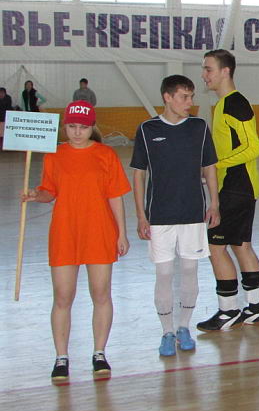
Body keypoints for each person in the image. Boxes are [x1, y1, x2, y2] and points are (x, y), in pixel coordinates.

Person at [21, 101, 130, 380]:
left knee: (101, 293)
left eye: (82, 127)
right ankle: (61, 357)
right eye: (71, 126)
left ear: (92, 127)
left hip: (99, 231)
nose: (77, 132)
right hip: (65, 232)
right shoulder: (54, 156)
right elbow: (49, 191)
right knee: (62, 296)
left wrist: (122, 232)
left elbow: (115, 196)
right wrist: (36, 195)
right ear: (65, 127)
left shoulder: (105, 154)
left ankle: (99, 353)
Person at [130, 75, 220, 356]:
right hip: (160, 215)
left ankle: (184, 327)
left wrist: (214, 203)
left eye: (191, 97)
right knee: (165, 272)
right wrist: (141, 215)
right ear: (167, 97)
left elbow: (210, 167)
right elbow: (139, 175)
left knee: (190, 270)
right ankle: (167, 331)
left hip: (193, 212)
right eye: (184, 97)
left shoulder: (199, 127)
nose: (189, 102)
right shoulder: (147, 129)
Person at [197, 49, 259, 332]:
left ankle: (228, 311)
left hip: (237, 187)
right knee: (241, 245)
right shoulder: (224, 104)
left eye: (208, 69)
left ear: (225, 71)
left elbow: (253, 147)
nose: (204, 75)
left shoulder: (234, 103)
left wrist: (216, 165)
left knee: (216, 247)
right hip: (238, 187)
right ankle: (256, 308)